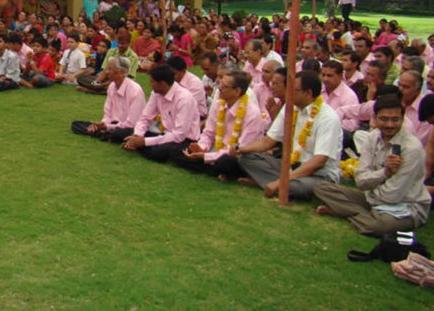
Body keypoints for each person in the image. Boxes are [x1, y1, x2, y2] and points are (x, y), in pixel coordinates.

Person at [314, 93, 431, 236]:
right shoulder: (372, 138)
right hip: (373, 196)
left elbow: (393, 195)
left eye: (395, 120)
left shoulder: (411, 148)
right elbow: (360, 180)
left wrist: (370, 189)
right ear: (375, 118)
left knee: (375, 226)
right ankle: (364, 214)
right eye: (384, 119)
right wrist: (385, 172)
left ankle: (348, 213)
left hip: (405, 206)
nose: (390, 125)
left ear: (402, 119)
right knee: (321, 188)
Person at [238, 70, 342, 201]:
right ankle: (277, 184)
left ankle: (276, 183)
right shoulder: (289, 108)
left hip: (318, 174)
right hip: (291, 166)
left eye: (293, 90)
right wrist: (240, 149)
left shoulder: (328, 118)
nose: (287, 93)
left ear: (308, 93)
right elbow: (268, 141)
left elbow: (319, 161)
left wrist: (281, 181)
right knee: (246, 158)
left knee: (296, 187)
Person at [175, 70, 267, 180]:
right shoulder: (219, 104)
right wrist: (201, 147)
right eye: (220, 84)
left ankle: (215, 168)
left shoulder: (252, 113)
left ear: (237, 91)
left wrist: (207, 156)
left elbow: (240, 149)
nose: (219, 88)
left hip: (239, 157)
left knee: (225, 163)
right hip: (215, 150)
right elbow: (208, 133)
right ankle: (214, 169)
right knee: (178, 151)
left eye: (224, 86)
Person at [122, 64, 200, 163]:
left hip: (184, 139)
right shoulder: (156, 93)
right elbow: (145, 117)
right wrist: (137, 135)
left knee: (158, 152)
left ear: (162, 84)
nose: (150, 85)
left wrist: (144, 142)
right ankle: (136, 144)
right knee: (126, 133)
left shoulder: (184, 98)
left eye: (152, 82)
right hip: (165, 134)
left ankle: (142, 147)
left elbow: (179, 135)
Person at [71, 56, 146, 142]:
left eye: (110, 69)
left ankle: (107, 134)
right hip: (112, 124)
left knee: (119, 133)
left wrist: (107, 127)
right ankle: (106, 134)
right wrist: (102, 124)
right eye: (107, 68)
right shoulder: (112, 86)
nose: (106, 72)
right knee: (76, 124)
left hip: (127, 127)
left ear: (121, 72)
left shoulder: (135, 90)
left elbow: (131, 123)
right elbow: (107, 113)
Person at [166, 55, 207, 119]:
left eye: (173, 74)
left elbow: (188, 107)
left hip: (196, 117)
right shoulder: (171, 81)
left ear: (183, 71)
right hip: (177, 115)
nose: (170, 77)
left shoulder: (194, 83)